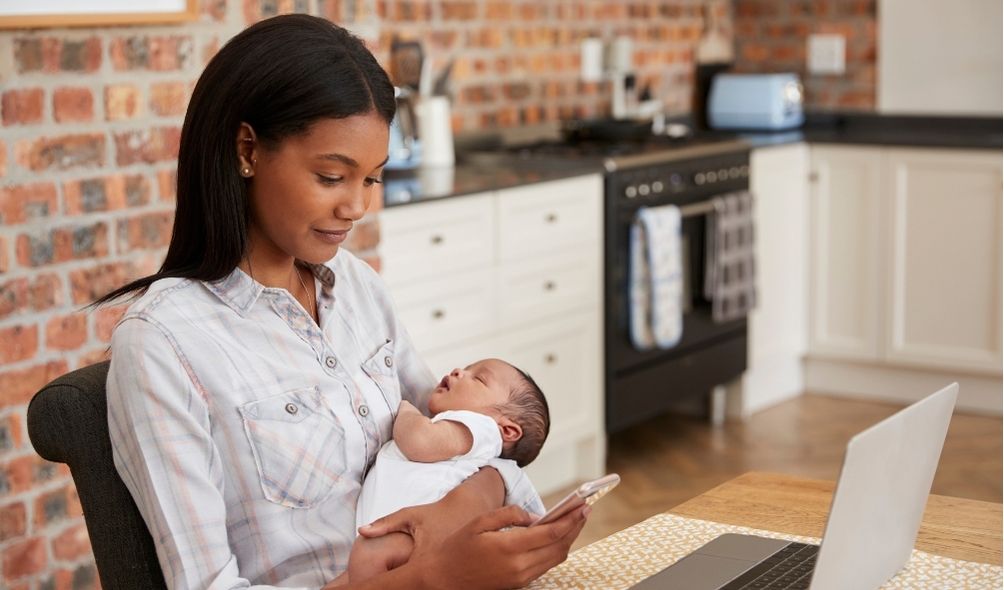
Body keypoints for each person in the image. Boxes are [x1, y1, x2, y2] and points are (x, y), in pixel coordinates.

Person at [99, 14, 587, 590]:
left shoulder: (353, 284)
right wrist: (428, 577)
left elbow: (459, 439)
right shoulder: (164, 343)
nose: (357, 206)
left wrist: (464, 518)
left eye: (372, 180)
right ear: (247, 150)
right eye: (333, 176)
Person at [346, 359, 550, 584]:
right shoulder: (459, 432)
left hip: (419, 536)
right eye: (467, 368)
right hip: (405, 537)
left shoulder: (482, 428)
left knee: (368, 557)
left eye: (479, 378)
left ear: (507, 430)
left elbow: (419, 441)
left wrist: (405, 409)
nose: (459, 371)